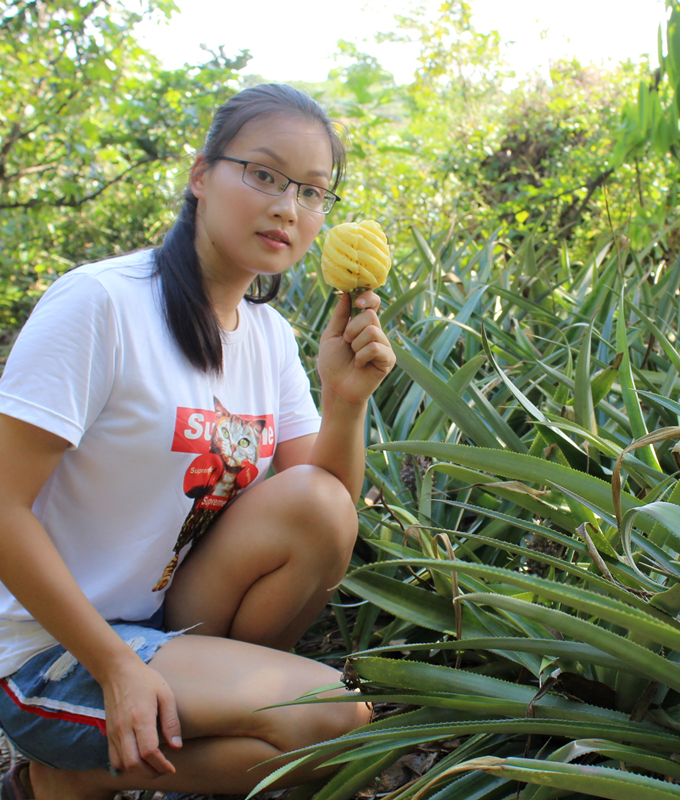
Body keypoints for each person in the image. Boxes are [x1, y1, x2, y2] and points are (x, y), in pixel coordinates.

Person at [0, 83, 394, 799]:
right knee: (334, 725)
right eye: (265, 175)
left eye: (313, 192)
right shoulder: (102, 304)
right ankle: (64, 777)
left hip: (163, 621)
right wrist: (117, 668)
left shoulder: (269, 338)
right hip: (47, 649)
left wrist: (345, 399)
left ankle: (96, 771)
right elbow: (1, 508)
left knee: (321, 510)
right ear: (201, 175)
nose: (287, 207)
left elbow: (326, 507)